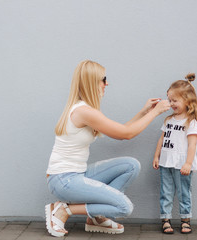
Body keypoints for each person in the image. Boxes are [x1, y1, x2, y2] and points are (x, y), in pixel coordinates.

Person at [45, 60, 171, 237]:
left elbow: (122, 130)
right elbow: (126, 134)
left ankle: (96, 217)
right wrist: (155, 112)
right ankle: (63, 210)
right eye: (103, 79)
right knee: (124, 207)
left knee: (131, 165)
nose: (107, 83)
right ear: (92, 82)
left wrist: (143, 112)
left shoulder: (85, 109)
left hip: (76, 175)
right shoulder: (84, 112)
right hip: (64, 180)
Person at [152, 73, 197, 234]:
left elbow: (193, 144)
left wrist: (188, 163)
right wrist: (156, 156)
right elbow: (162, 139)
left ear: (187, 101)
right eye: (170, 100)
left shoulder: (190, 122)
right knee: (166, 191)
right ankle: (165, 219)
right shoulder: (168, 120)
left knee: (183, 191)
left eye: (175, 100)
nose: (171, 103)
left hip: (182, 164)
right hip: (166, 162)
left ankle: (185, 219)